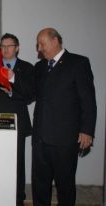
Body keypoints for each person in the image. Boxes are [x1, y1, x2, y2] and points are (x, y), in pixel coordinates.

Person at [32, 28, 97, 206]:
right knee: (39, 187)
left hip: (65, 140)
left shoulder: (78, 63)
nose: (39, 48)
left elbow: (88, 101)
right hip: (40, 139)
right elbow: (31, 94)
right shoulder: (39, 67)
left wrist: (87, 130)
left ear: (55, 41)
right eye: (38, 44)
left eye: (42, 43)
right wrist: (11, 80)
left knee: (65, 187)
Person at [0, 33, 35, 206]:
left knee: (17, 162)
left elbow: (30, 95)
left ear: (17, 48)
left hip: (17, 122)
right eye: (2, 46)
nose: (4, 49)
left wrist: (12, 83)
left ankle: (18, 198)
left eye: (9, 46)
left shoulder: (27, 68)